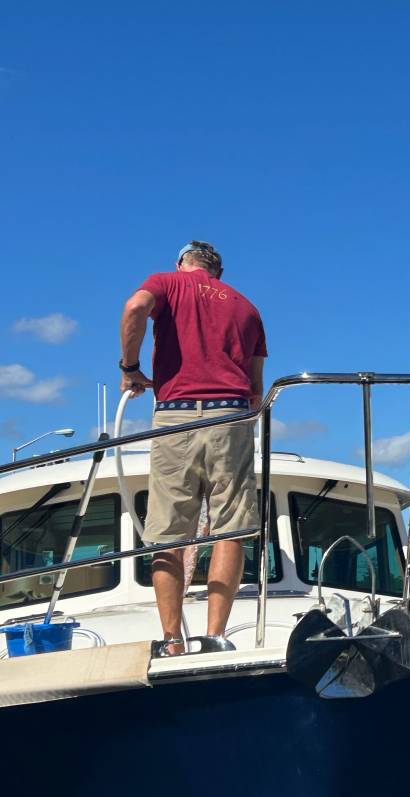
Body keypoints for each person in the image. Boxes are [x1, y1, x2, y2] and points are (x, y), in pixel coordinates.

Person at [119, 241, 267, 655]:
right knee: (230, 529)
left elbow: (135, 307)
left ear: (181, 263)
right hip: (232, 414)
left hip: (175, 414)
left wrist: (130, 368)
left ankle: (172, 641)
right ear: (218, 272)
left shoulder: (166, 283)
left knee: (168, 532)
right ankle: (215, 635)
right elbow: (256, 388)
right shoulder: (247, 307)